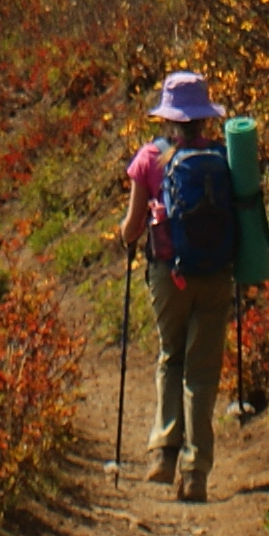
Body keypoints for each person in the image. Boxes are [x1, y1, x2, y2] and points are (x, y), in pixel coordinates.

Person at [107, 69, 237, 501]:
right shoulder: (224, 156)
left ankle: (163, 453)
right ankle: (195, 473)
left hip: (168, 273)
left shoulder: (149, 158)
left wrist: (130, 234)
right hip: (216, 274)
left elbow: (130, 229)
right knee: (201, 373)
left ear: (167, 116)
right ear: (204, 117)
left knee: (170, 356)